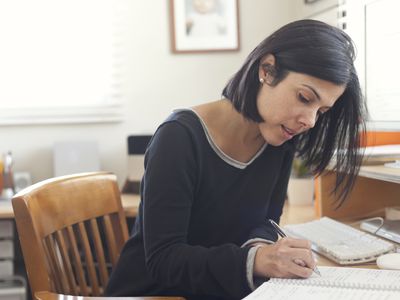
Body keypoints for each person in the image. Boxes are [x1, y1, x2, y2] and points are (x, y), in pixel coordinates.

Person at [105, 19, 366, 300]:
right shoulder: (179, 137)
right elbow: (164, 260)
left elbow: (267, 220)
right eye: (304, 98)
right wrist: (256, 260)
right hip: (153, 294)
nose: (310, 121)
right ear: (267, 70)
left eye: (322, 111)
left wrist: (261, 250)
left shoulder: (279, 138)